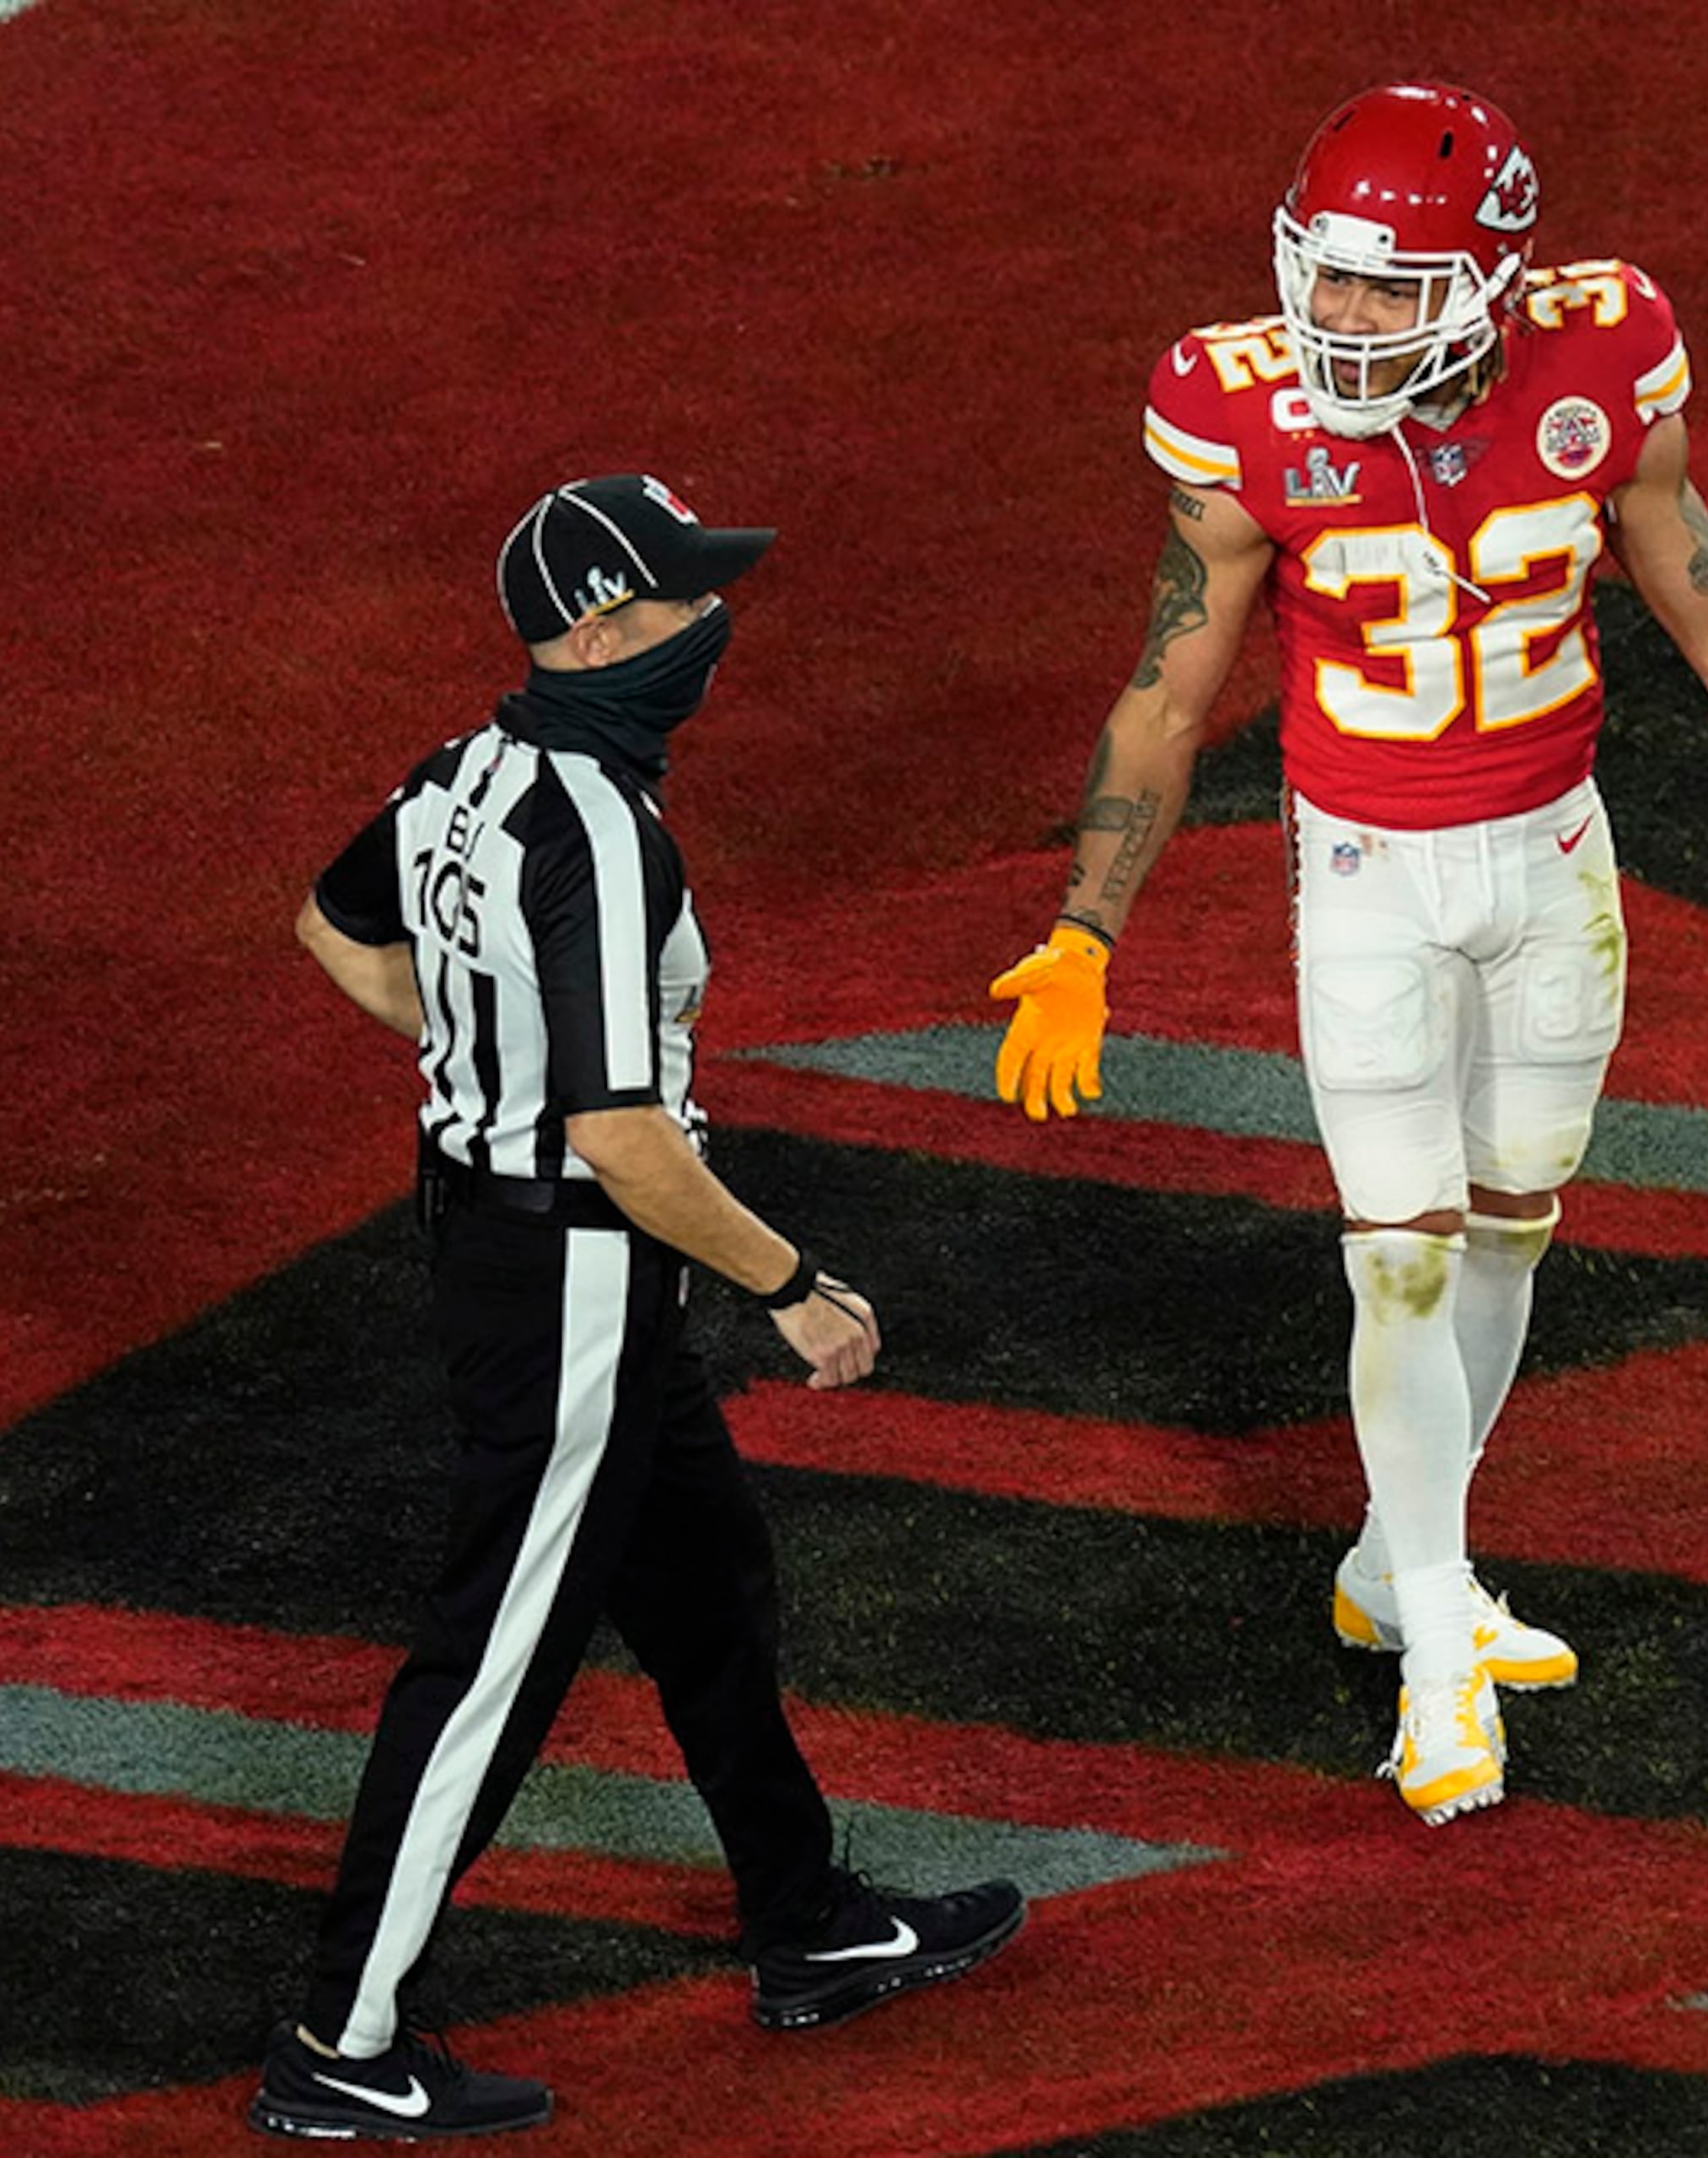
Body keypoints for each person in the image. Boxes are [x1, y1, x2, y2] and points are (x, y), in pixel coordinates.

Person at [986, 83, 1708, 1829]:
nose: (1337, 321)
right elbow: (1172, 687)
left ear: (1486, 282)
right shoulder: (1237, 411)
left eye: (1385, 291)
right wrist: (1087, 929)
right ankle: (1433, 1660)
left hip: (1557, 860)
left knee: (1514, 1218)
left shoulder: (1607, 351)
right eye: (1321, 279)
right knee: (1394, 1257)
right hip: (1369, 878)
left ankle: (1402, 1567)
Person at [259, 475, 1024, 2140]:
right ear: (604, 630)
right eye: (684, 603)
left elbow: (332, 926)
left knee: (705, 1583)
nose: (713, 626)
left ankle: (804, 1916)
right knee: (491, 1661)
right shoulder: (597, 824)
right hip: (574, 1267)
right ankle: (342, 2032)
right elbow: (619, 1131)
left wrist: (477, 1063)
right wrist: (794, 1285)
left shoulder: (468, 769)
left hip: (515, 1241)